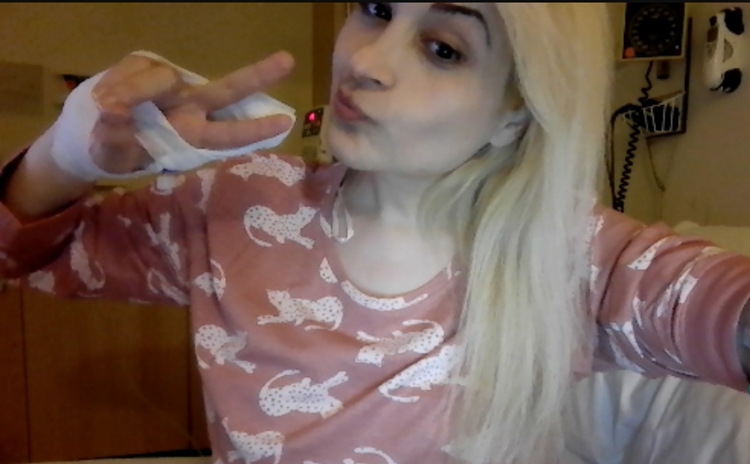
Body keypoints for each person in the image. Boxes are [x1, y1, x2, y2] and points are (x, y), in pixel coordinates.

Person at [1, 3, 749, 464]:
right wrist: (63, 158)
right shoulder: (236, 205)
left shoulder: (565, 258)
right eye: (376, 8)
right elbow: (24, 253)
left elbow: (713, 305)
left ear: (517, 111)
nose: (364, 62)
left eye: (443, 48)